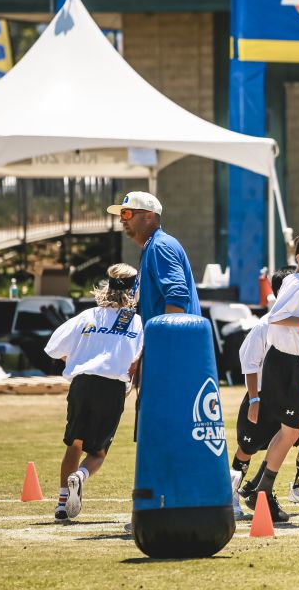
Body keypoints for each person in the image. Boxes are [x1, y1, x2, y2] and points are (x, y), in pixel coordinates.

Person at [245, 231, 299, 523]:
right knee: (292, 430)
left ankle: (259, 489)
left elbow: (292, 326)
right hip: (281, 365)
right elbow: (277, 318)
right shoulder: (296, 283)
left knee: (293, 430)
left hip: (291, 364)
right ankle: (261, 491)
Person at [43, 264, 143, 521]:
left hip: (82, 384)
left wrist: (76, 356)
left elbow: (53, 347)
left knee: (74, 444)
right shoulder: (136, 321)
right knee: (97, 452)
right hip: (111, 387)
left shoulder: (87, 316)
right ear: (133, 290)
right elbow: (138, 358)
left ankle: (62, 503)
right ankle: (81, 476)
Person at [230, 266, 299, 520]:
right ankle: (234, 495)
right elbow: (248, 362)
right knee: (247, 447)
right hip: (263, 394)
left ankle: (290, 488)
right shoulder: (265, 325)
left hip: (291, 390)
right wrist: (254, 399)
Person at [106, 191, 200, 322]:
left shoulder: (159, 246)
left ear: (149, 216)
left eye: (127, 213)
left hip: (175, 341)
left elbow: (177, 296)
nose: (122, 220)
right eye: (121, 215)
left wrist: (165, 338)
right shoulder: (153, 246)